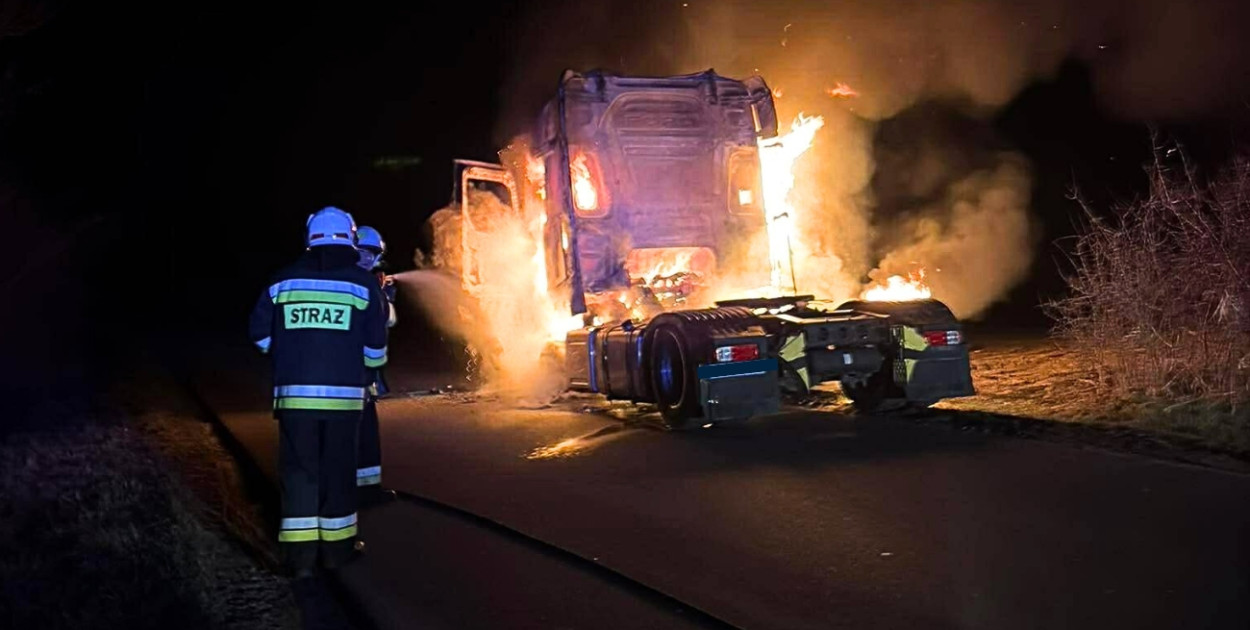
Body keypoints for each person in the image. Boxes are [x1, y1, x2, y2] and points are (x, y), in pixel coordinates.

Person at [248, 206, 388, 577]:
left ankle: (300, 560)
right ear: (351, 238)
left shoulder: (282, 281)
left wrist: (290, 351)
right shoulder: (364, 285)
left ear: (309, 238)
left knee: (298, 473)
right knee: (339, 472)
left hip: (294, 400)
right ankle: (338, 552)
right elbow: (376, 348)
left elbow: (260, 337)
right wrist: (365, 368)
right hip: (345, 401)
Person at [354, 225, 396, 505]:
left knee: (364, 433)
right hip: (356, 377)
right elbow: (386, 321)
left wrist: (386, 295)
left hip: (352, 376)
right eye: (364, 252)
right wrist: (384, 296)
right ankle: (364, 492)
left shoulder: (352, 280)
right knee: (361, 434)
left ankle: (365, 488)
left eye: (374, 254)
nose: (369, 258)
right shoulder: (364, 284)